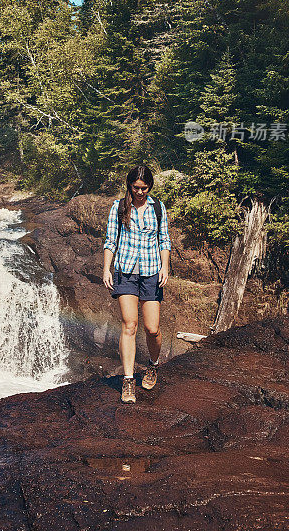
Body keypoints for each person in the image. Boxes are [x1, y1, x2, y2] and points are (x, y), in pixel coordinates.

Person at [103, 165, 171, 403]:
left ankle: (153, 364)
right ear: (129, 186)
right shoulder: (119, 207)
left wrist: (165, 267)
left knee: (152, 329)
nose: (140, 192)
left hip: (152, 272)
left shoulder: (158, 208)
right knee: (129, 325)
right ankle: (128, 380)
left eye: (144, 188)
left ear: (149, 187)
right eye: (136, 187)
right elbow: (111, 240)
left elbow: (164, 240)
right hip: (126, 272)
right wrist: (106, 269)